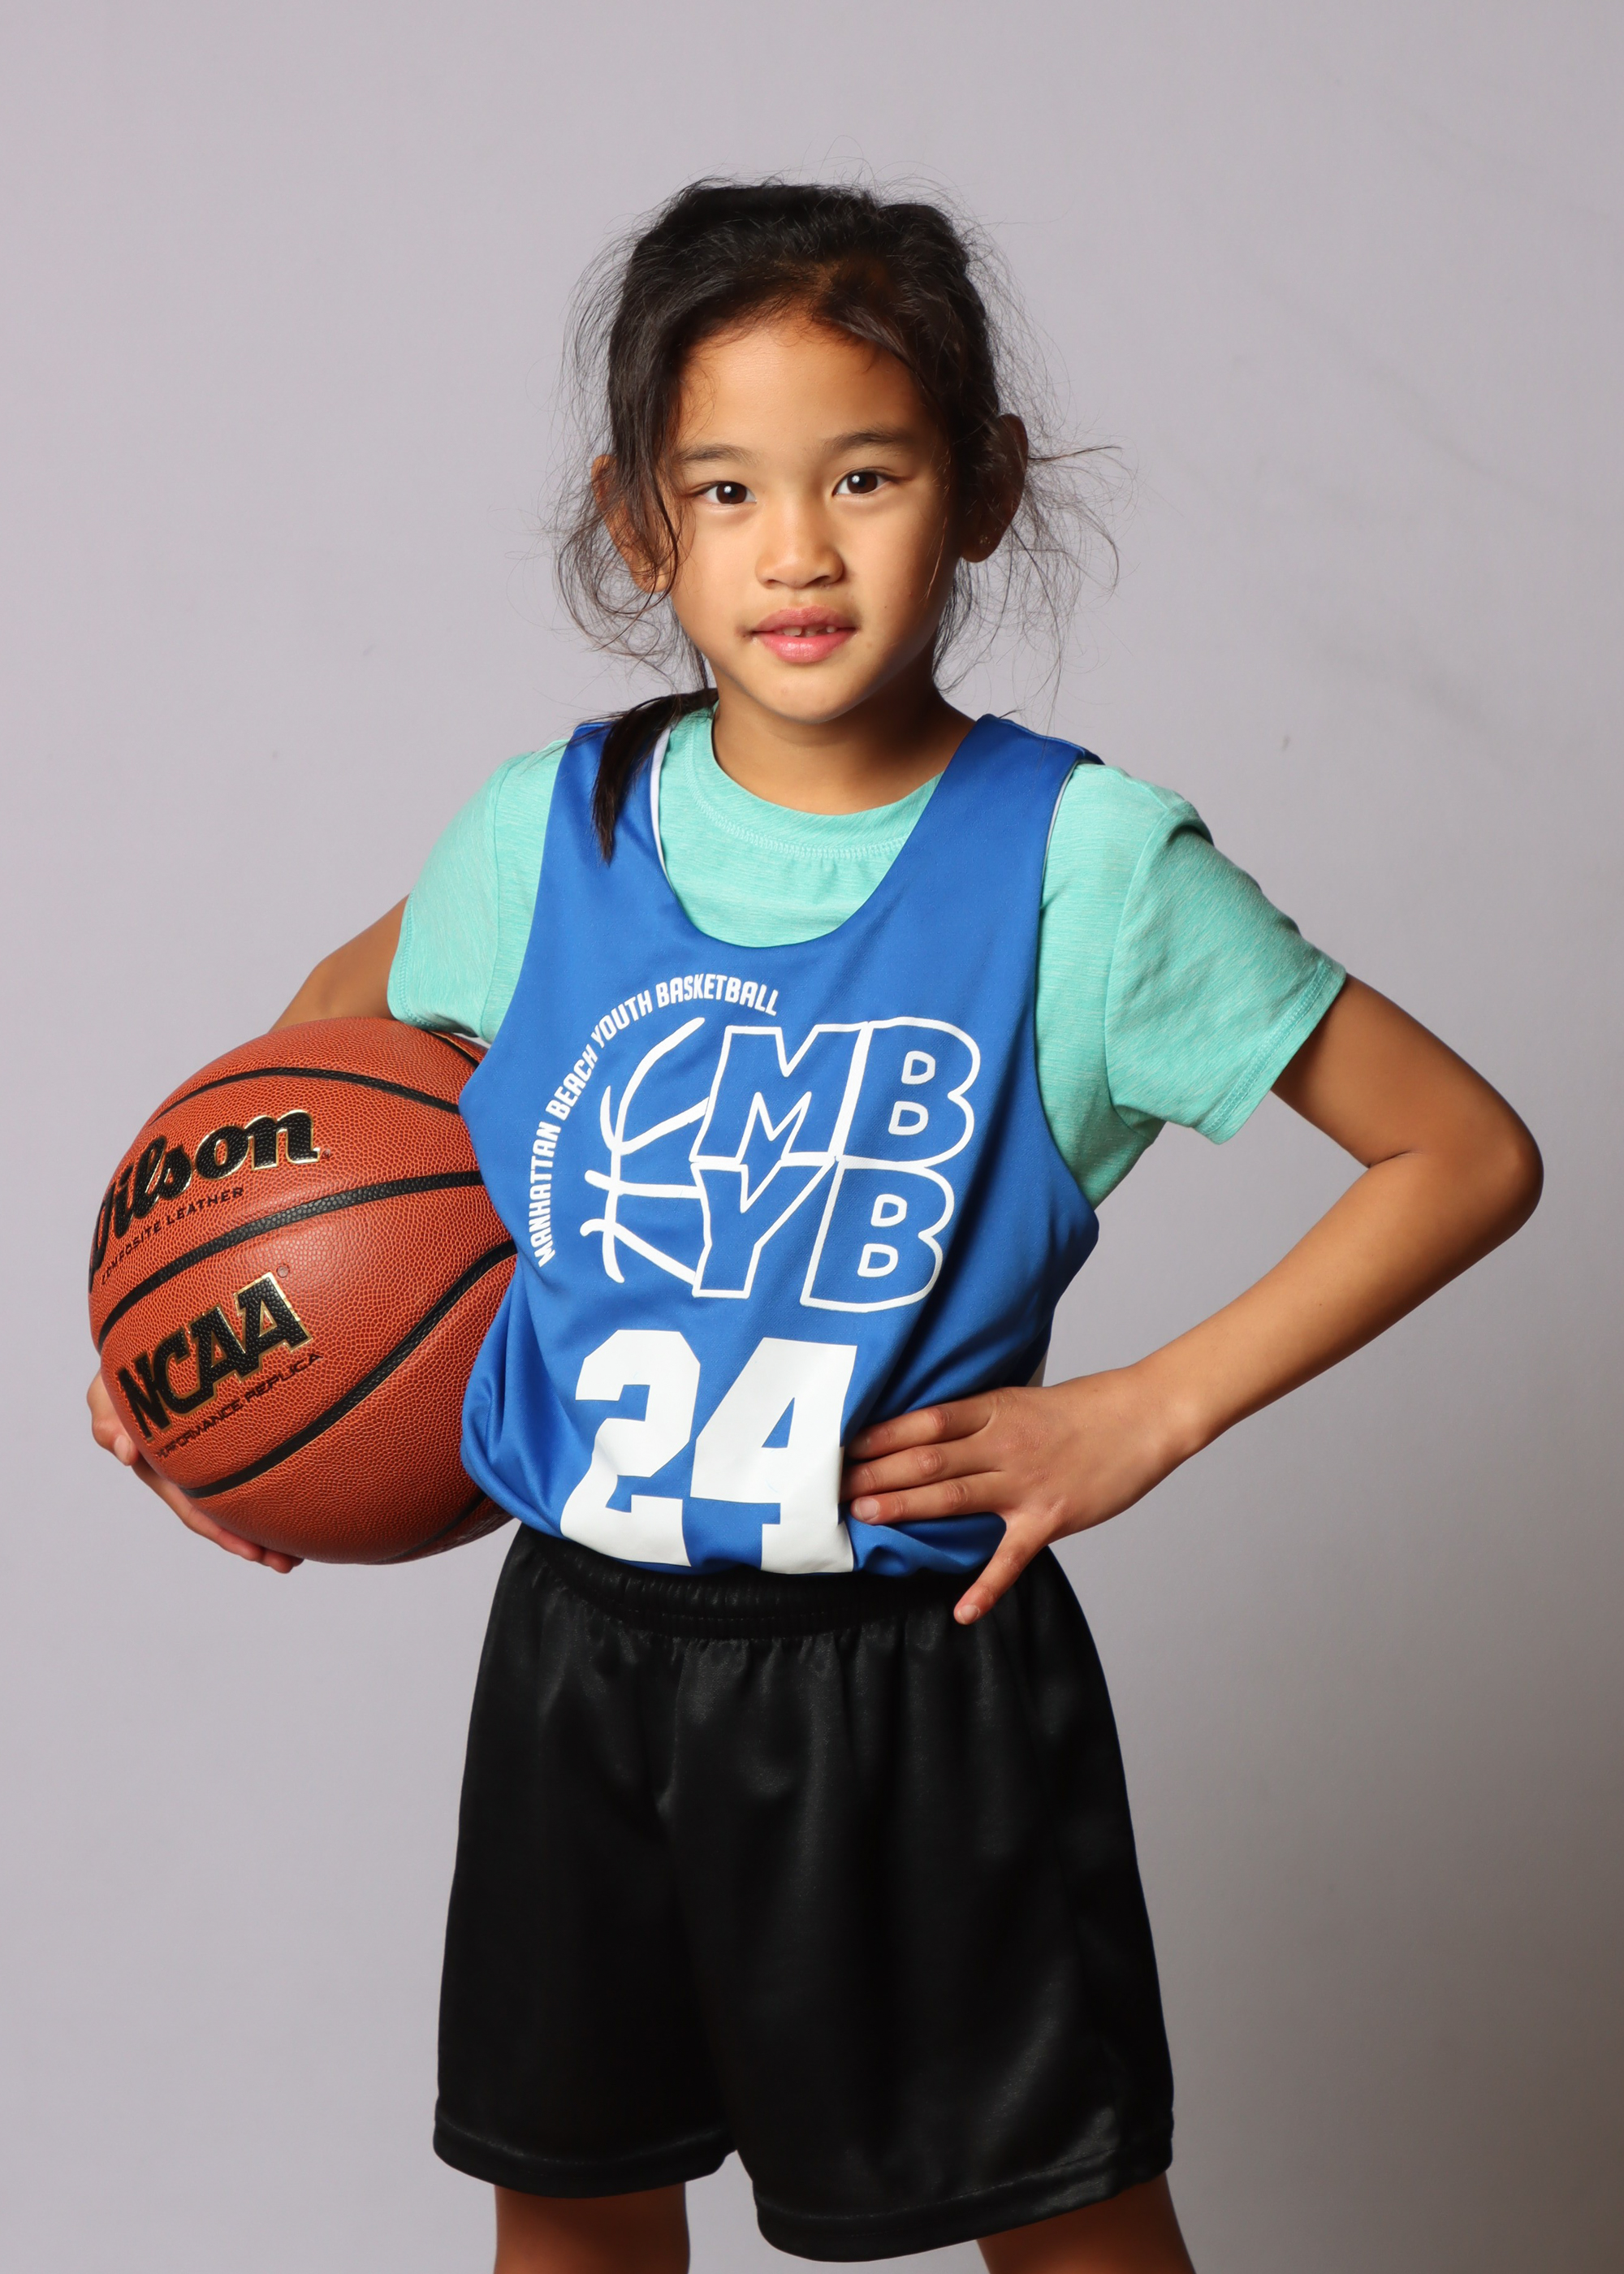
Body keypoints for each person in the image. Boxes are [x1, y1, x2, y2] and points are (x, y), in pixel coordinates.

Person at [87, 180, 1541, 2273]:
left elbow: (1462, 1153)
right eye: (728, 489)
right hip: (582, 1658)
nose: (797, 548)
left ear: (982, 487)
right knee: (575, 2217)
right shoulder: (548, 835)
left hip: (913, 1684)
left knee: (1067, 2228)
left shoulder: (1085, 869)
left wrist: (1147, 1411)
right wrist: (202, 1371)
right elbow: (311, 1088)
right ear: (639, 525)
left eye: (865, 474)